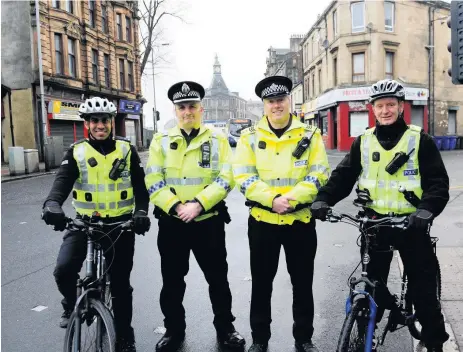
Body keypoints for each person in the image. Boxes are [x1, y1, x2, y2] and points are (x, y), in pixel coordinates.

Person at [311, 79, 450, 352]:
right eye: (380, 106)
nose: (385, 110)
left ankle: (435, 343)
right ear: (372, 109)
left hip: (411, 225)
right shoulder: (363, 142)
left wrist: (425, 211)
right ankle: (366, 335)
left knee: (424, 294)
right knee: (371, 287)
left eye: (390, 105)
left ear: (400, 107)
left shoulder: (419, 140)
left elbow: (438, 184)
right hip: (374, 225)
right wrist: (323, 199)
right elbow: (343, 176)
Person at [41, 97, 151, 352]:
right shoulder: (77, 151)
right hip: (85, 225)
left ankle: (124, 336)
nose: (100, 125)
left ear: (111, 122)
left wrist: (141, 213)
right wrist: (52, 206)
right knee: (64, 270)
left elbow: (140, 189)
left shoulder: (126, 150)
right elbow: (60, 185)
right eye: (94, 121)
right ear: (87, 124)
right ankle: (71, 303)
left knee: (121, 286)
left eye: (104, 120)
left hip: (120, 226)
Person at [145, 81, 245, 352]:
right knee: (172, 283)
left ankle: (226, 329)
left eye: (192, 106)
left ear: (201, 108)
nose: (187, 111)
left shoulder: (217, 138)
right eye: (182, 107)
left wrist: (199, 204)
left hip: (208, 222)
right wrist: (177, 206)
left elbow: (227, 177)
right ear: (175, 111)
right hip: (173, 223)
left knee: (218, 280)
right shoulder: (161, 141)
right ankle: (174, 331)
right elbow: (153, 180)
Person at [233, 76, 330, 352]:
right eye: (271, 101)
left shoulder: (309, 135)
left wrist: (291, 199)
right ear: (264, 105)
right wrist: (272, 200)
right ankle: (260, 340)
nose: (276, 106)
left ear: (289, 101)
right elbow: (242, 175)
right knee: (261, 286)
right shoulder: (249, 137)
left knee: (302, 285)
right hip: (264, 222)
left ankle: (303, 339)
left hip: (299, 221)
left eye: (281, 100)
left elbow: (320, 172)